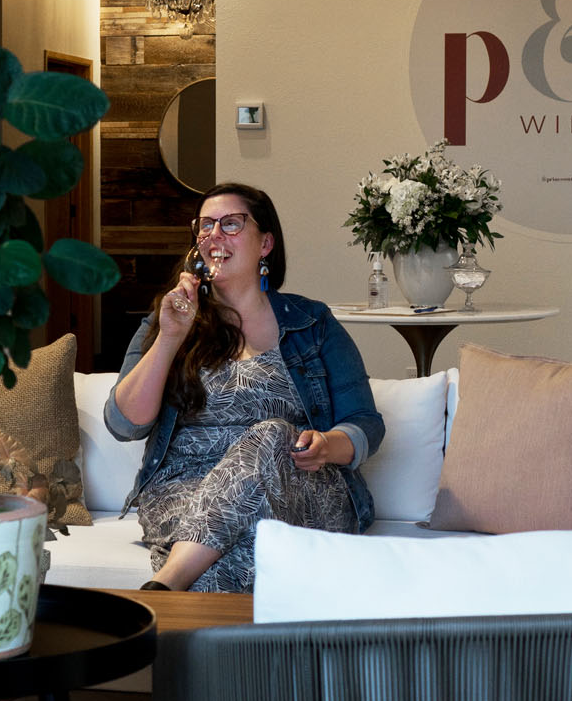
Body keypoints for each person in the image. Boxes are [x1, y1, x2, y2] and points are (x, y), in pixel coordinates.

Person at [104, 182, 384, 592]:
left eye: (231, 224)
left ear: (265, 243)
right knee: (244, 547)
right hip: (184, 490)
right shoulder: (167, 321)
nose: (213, 235)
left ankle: (164, 587)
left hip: (297, 485)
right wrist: (169, 338)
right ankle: (254, 653)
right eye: (204, 226)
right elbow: (124, 424)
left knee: (270, 434)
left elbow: (365, 422)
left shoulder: (311, 323)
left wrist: (327, 444)